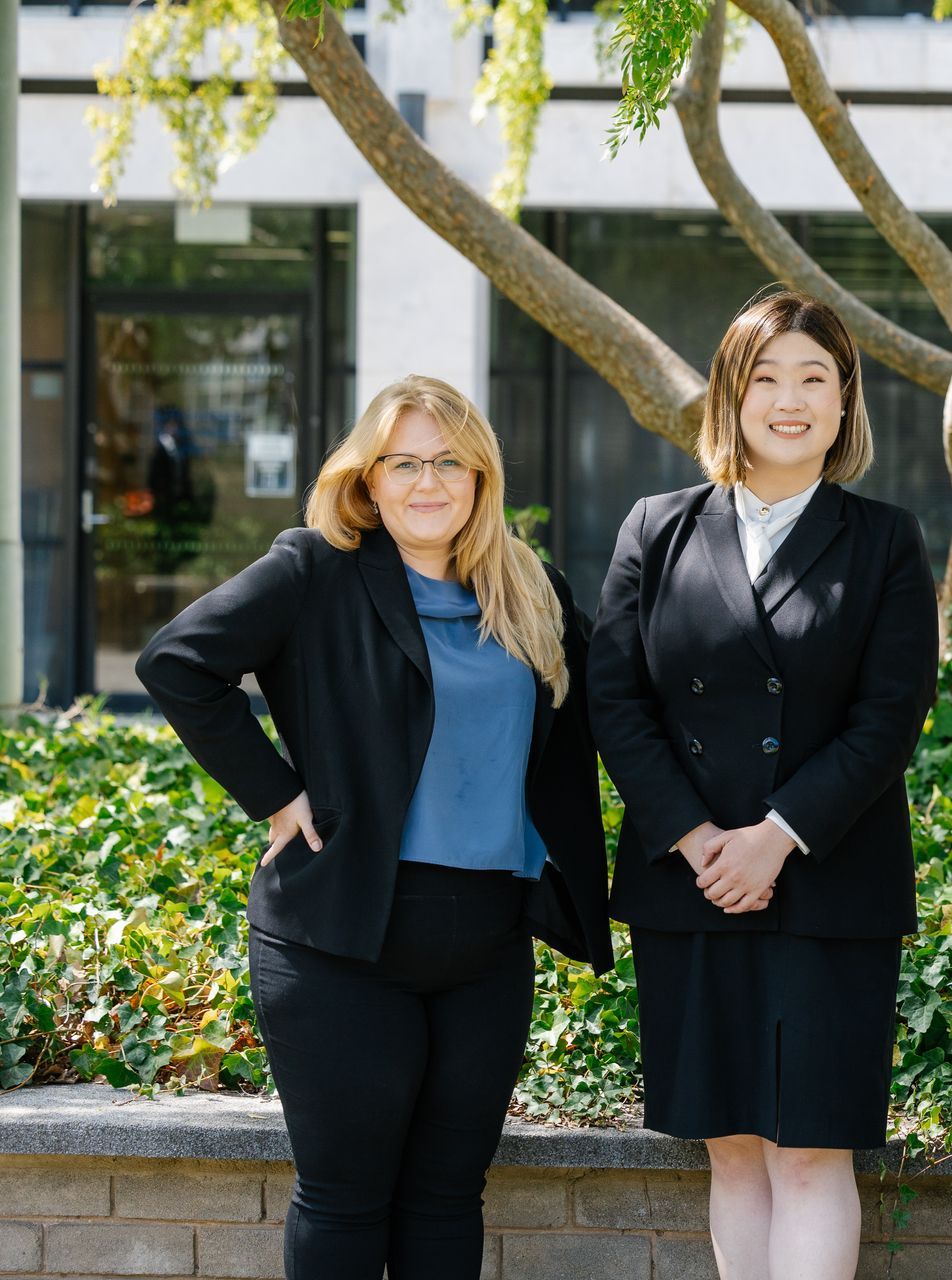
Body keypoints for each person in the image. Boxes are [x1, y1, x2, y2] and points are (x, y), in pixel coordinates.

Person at [136, 374, 613, 1280]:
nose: (426, 482)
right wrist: (276, 793)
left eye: (448, 462)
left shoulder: (530, 590)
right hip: (341, 940)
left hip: (487, 943)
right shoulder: (314, 570)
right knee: (346, 1202)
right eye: (403, 462)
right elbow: (177, 662)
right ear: (368, 478)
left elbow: (612, 709)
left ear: (480, 478)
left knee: (446, 1200)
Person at [588, 291, 939, 1280]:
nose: (791, 399)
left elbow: (888, 719)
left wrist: (776, 834)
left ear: (843, 403)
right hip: (690, 884)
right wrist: (702, 840)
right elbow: (616, 701)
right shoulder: (656, 528)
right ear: (731, 397)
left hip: (829, 881)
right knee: (732, 1142)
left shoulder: (885, 540)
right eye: (768, 377)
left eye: (814, 378)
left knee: (811, 1141)